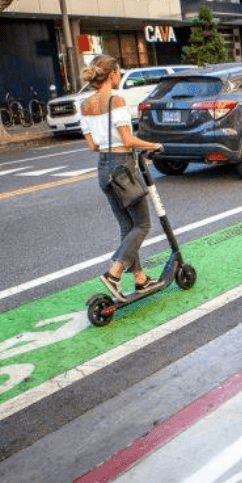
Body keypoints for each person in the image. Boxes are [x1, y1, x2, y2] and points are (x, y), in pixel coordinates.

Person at [79, 54, 163, 300]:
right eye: (119, 72)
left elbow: (92, 145)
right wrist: (154, 145)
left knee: (127, 227)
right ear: (113, 74)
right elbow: (128, 140)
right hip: (121, 166)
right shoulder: (116, 100)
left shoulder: (85, 105)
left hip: (103, 168)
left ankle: (140, 279)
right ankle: (114, 274)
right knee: (143, 224)